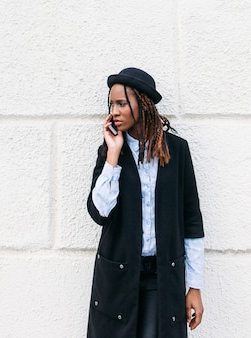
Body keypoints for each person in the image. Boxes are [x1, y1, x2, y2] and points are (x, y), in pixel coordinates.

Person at [87, 67, 205, 338]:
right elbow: (100, 212)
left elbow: (191, 220)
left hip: (161, 276)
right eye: (112, 104)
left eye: (121, 103)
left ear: (143, 104)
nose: (114, 111)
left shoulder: (176, 150)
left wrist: (194, 287)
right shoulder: (109, 151)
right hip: (118, 275)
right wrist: (114, 155)